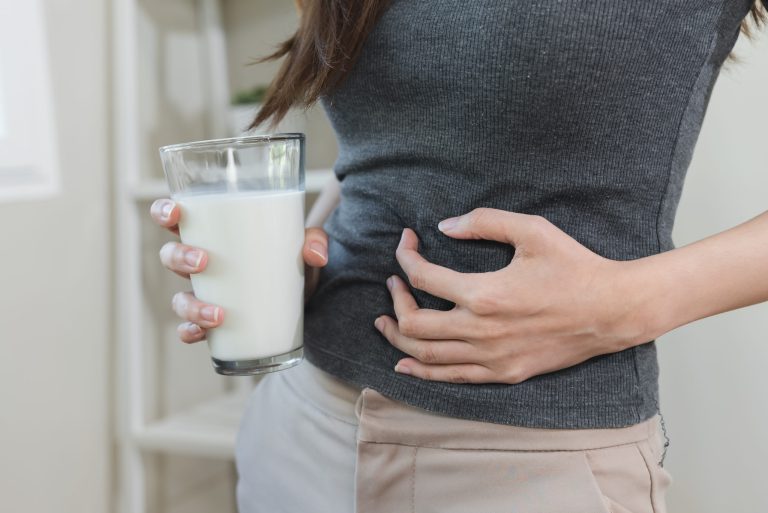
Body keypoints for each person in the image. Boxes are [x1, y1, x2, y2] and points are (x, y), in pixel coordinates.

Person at [150, 1, 768, 512]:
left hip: (527, 470)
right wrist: (298, 261)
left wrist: (622, 306)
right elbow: (388, 147)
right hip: (300, 429)